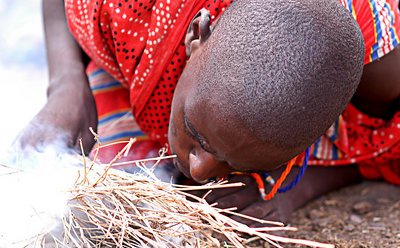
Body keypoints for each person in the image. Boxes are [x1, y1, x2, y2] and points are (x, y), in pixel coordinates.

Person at [16, 0, 399, 225]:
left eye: (239, 167)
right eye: (195, 135)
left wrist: (297, 189)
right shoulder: (125, 11)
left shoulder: (384, 77)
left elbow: (390, 147)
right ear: (196, 38)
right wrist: (65, 83)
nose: (198, 172)